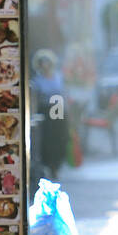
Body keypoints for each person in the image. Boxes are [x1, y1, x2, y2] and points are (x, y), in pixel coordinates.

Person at [31, 49, 69, 181]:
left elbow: (64, 93)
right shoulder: (37, 80)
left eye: (47, 62)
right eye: (42, 62)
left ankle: (57, 165)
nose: (45, 65)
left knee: (59, 137)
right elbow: (35, 98)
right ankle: (49, 166)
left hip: (58, 108)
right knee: (47, 139)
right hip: (46, 109)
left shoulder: (58, 77)